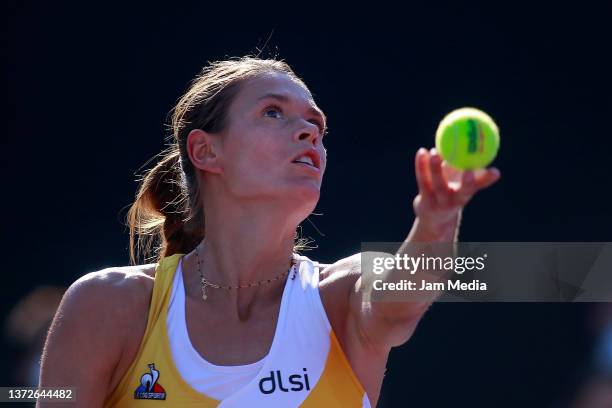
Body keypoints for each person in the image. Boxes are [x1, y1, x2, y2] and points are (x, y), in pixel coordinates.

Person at [38, 56, 500, 407]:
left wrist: (436, 220)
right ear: (206, 151)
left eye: (316, 124)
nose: (309, 132)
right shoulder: (107, 305)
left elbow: (404, 297)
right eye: (274, 112)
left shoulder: (337, 297)